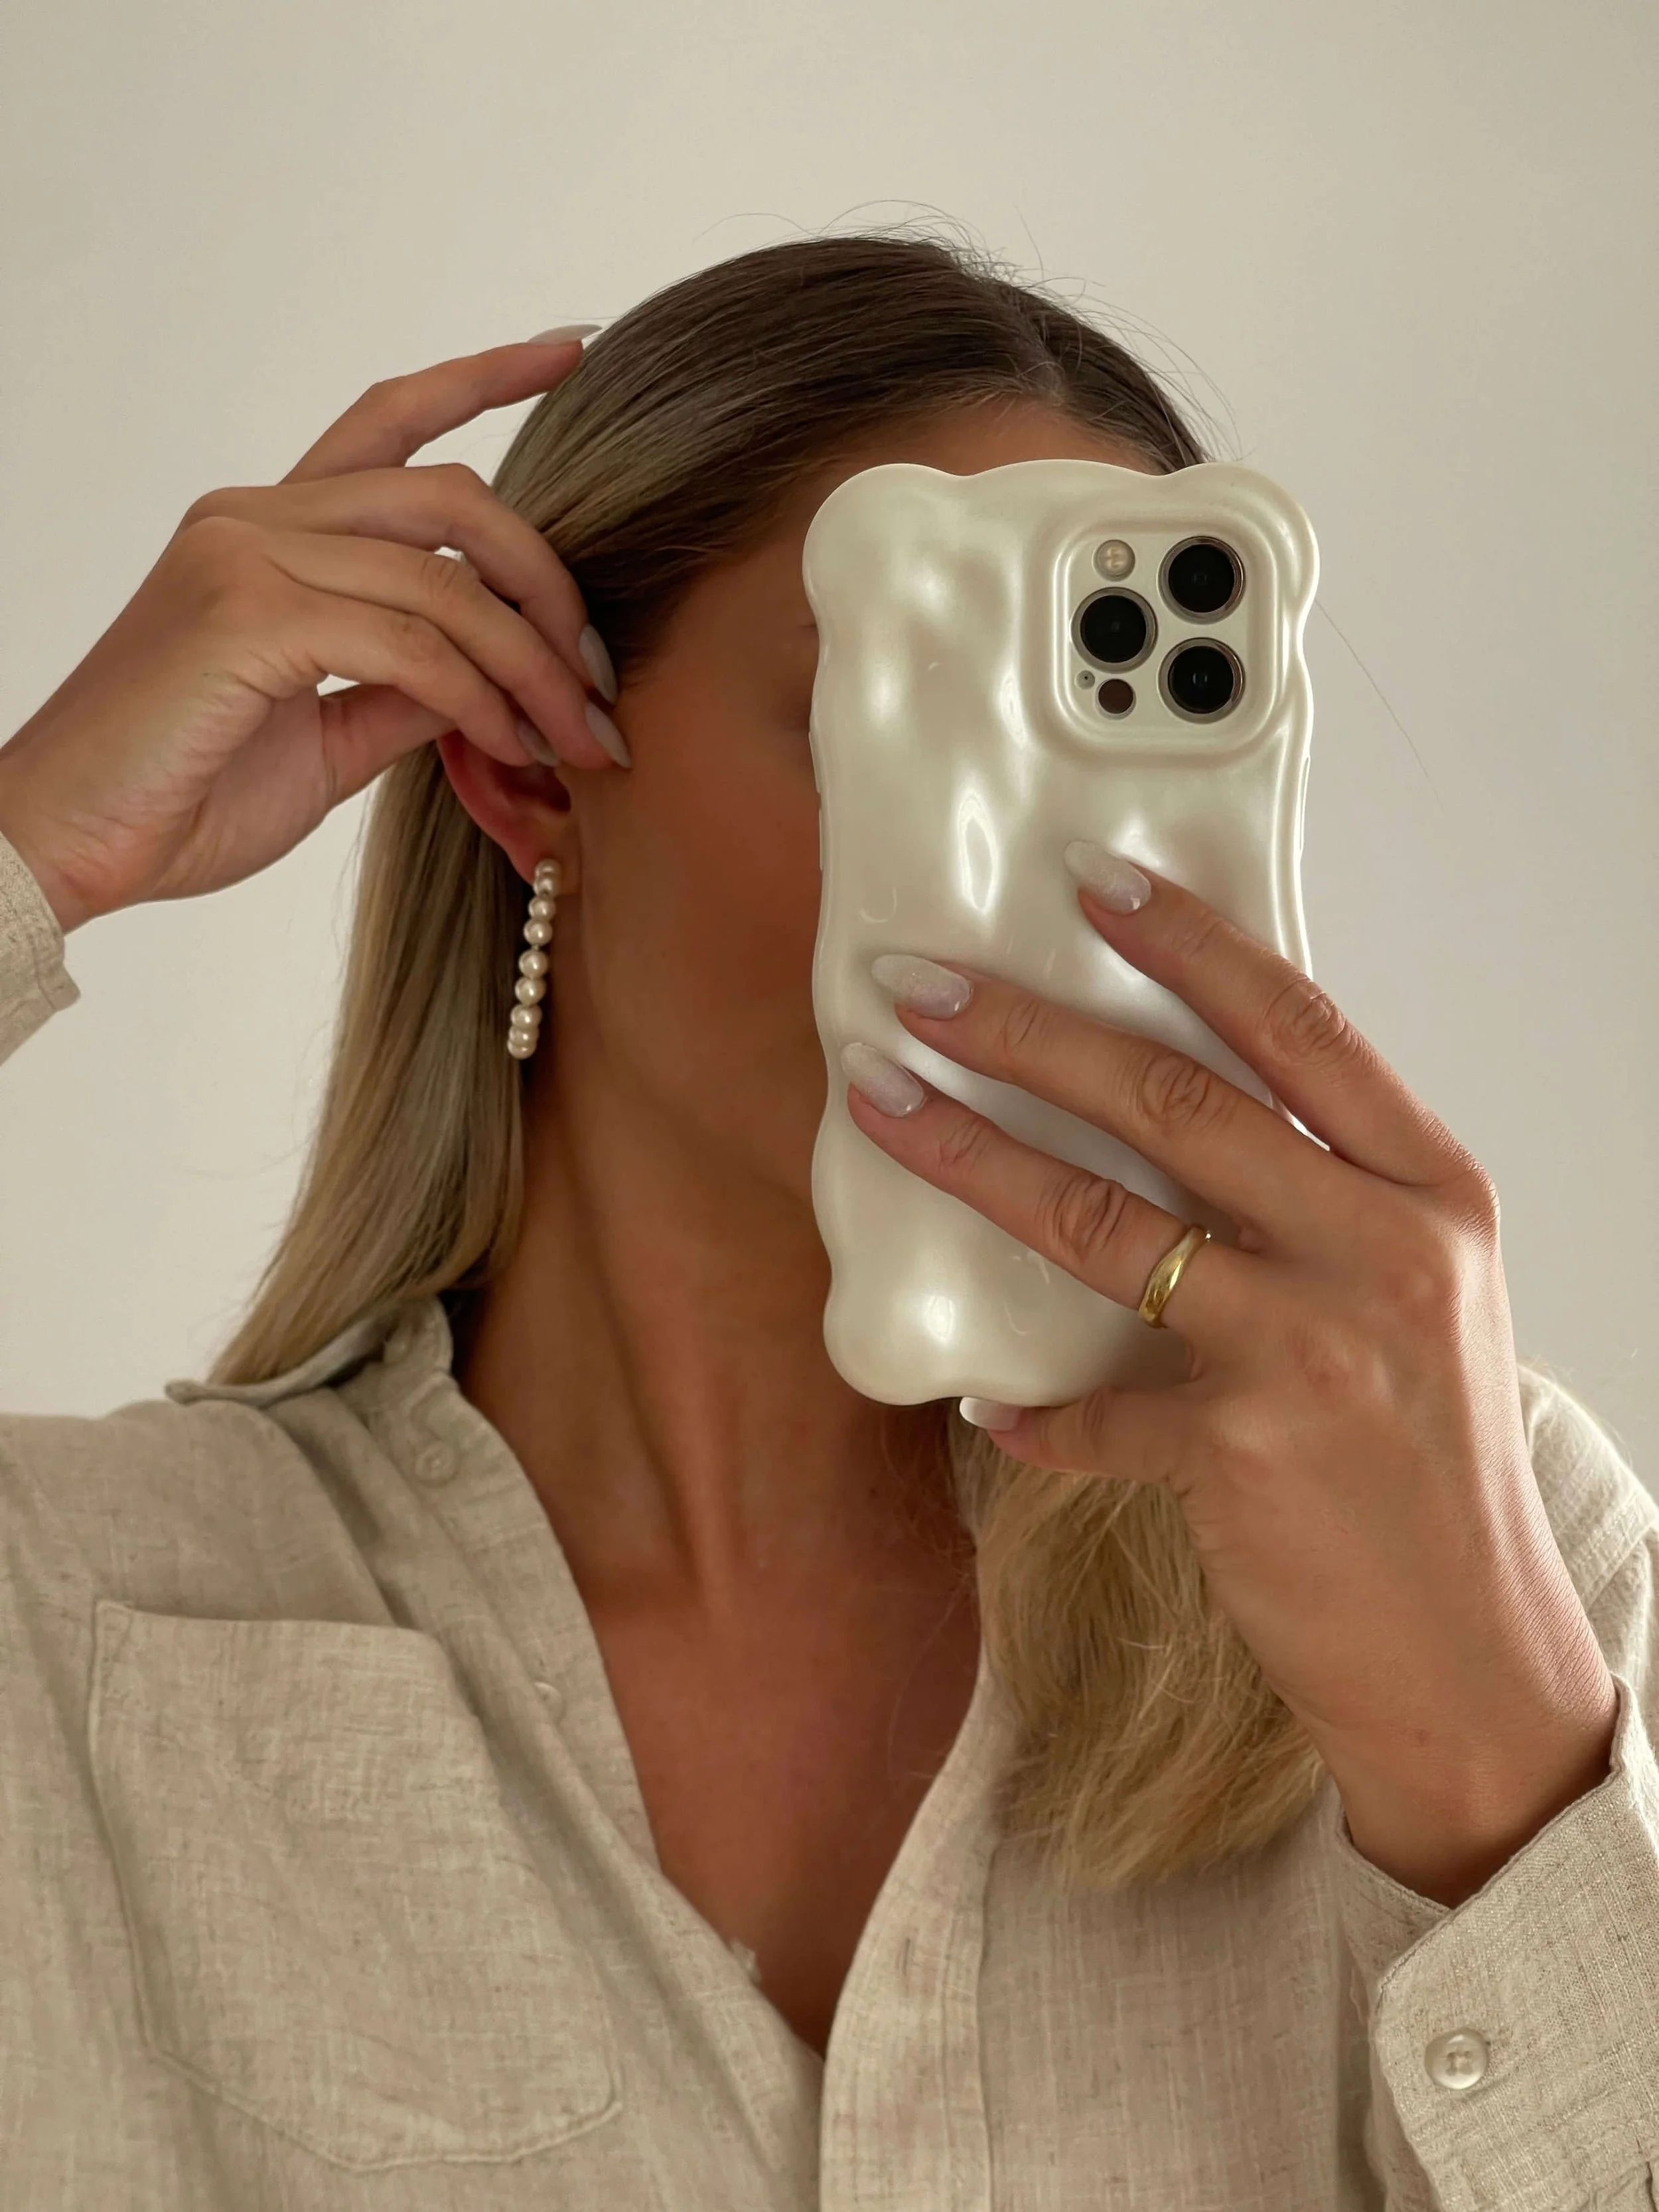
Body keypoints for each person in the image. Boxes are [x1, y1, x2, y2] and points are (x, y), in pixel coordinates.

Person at [0, 232, 1654, 2212]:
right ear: (527, 767)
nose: (1016, 875)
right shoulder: (80, 1623)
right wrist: (31, 845)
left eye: (1116, 746)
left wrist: (1499, 1778)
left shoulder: (1503, 1556)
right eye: (902, 717)